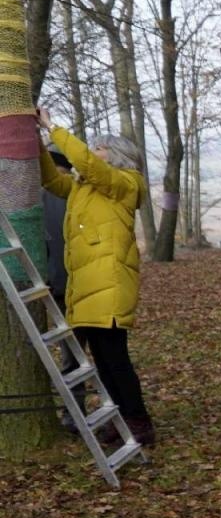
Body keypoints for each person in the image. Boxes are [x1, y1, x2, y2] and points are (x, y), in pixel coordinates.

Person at [35, 108, 156, 447]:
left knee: (114, 359)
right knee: (103, 362)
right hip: (88, 284)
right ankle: (121, 420)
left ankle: (138, 422)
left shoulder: (125, 184)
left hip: (109, 282)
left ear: (115, 157)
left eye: (99, 148)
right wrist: (39, 144)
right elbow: (52, 180)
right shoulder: (85, 187)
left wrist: (53, 127)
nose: (93, 153)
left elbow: (88, 164)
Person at [40, 147, 86, 426]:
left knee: (72, 356)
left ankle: (74, 415)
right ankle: (74, 413)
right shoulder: (77, 195)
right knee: (77, 355)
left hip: (61, 286)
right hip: (80, 284)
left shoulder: (48, 196)